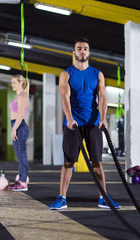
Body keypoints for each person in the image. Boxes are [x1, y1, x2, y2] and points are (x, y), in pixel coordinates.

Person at [50, 38, 121, 210]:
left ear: (89, 53)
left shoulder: (98, 74)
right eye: (79, 48)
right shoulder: (66, 74)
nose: (82, 51)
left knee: (97, 161)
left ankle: (103, 198)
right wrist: (69, 118)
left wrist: (103, 118)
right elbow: (64, 98)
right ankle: (62, 197)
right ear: (74, 52)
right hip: (72, 124)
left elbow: (102, 97)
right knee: (68, 162)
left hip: (93, 123)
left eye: (85, 49)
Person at [9, 74, 30, 192]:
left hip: (20, 126)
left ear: (21, 83)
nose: (12, 84)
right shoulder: (18, 96)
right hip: (17, 126)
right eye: (11, 83)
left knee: (22, 155)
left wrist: (14, 129)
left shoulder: (22, 97)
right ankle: (21, 179)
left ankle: (23, 183)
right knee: (19, 156)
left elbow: (21, 115)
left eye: (14, 82)